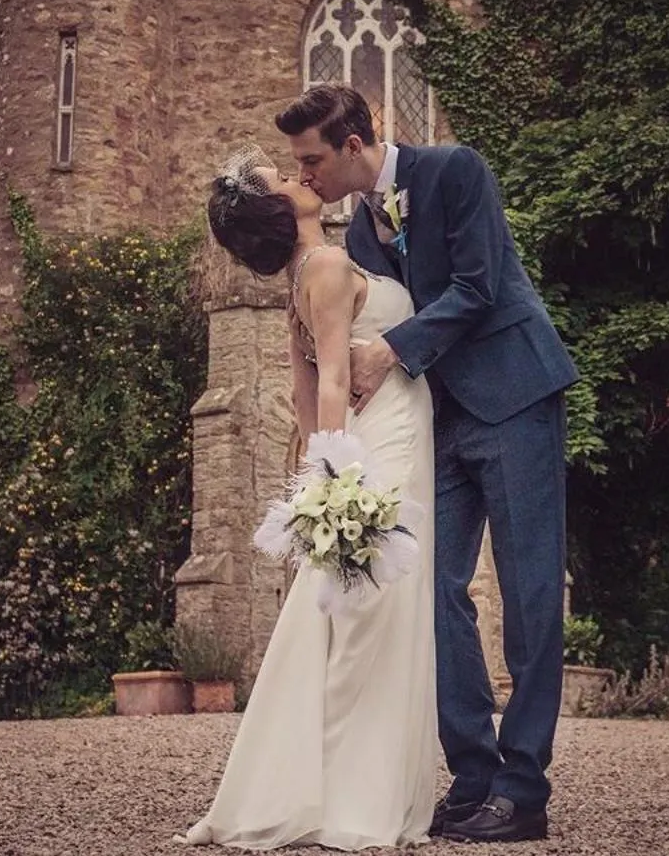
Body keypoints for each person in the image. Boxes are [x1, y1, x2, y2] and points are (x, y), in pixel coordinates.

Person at [279, 84, 578, 845]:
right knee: (430, 591)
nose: (305, 173)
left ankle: (523, 789)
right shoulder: (362, 234)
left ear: (352, 145)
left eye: (311, 159)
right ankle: (473, 775)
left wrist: (389, 351)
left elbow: (478, 287)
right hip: (440, 421)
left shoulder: (455, 170)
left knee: (530, 594)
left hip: (515, 395)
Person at [183, 147, 439, 851]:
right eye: (280, 178)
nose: (297, 176)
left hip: (377, 436)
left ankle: (325, 784)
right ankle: (354, 798)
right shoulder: (324, 266)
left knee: (357, 612)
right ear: (274, 207)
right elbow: (329, 383)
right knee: (376, 615)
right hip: (383, 442)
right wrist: (336, 478)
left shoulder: (303, 279)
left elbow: (303, 396)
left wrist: (316, 471)